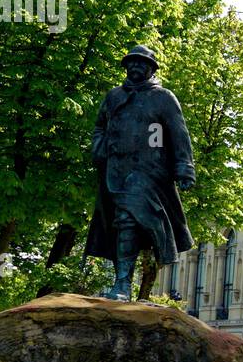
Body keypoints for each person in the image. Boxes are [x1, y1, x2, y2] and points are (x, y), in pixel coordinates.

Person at [84, 45, 196, 300]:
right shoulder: (113, 96)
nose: (135, 66)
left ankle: (123, 283)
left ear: (151, 68)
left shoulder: (164, 98)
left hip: (150, 172)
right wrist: (99, 149)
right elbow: (99, 127)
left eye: (141, 63)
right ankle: (124, 282)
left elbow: (179, 135)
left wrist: (184, 168)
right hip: (116, 170)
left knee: (128, 220)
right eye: (131, 62)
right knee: (121, 224)